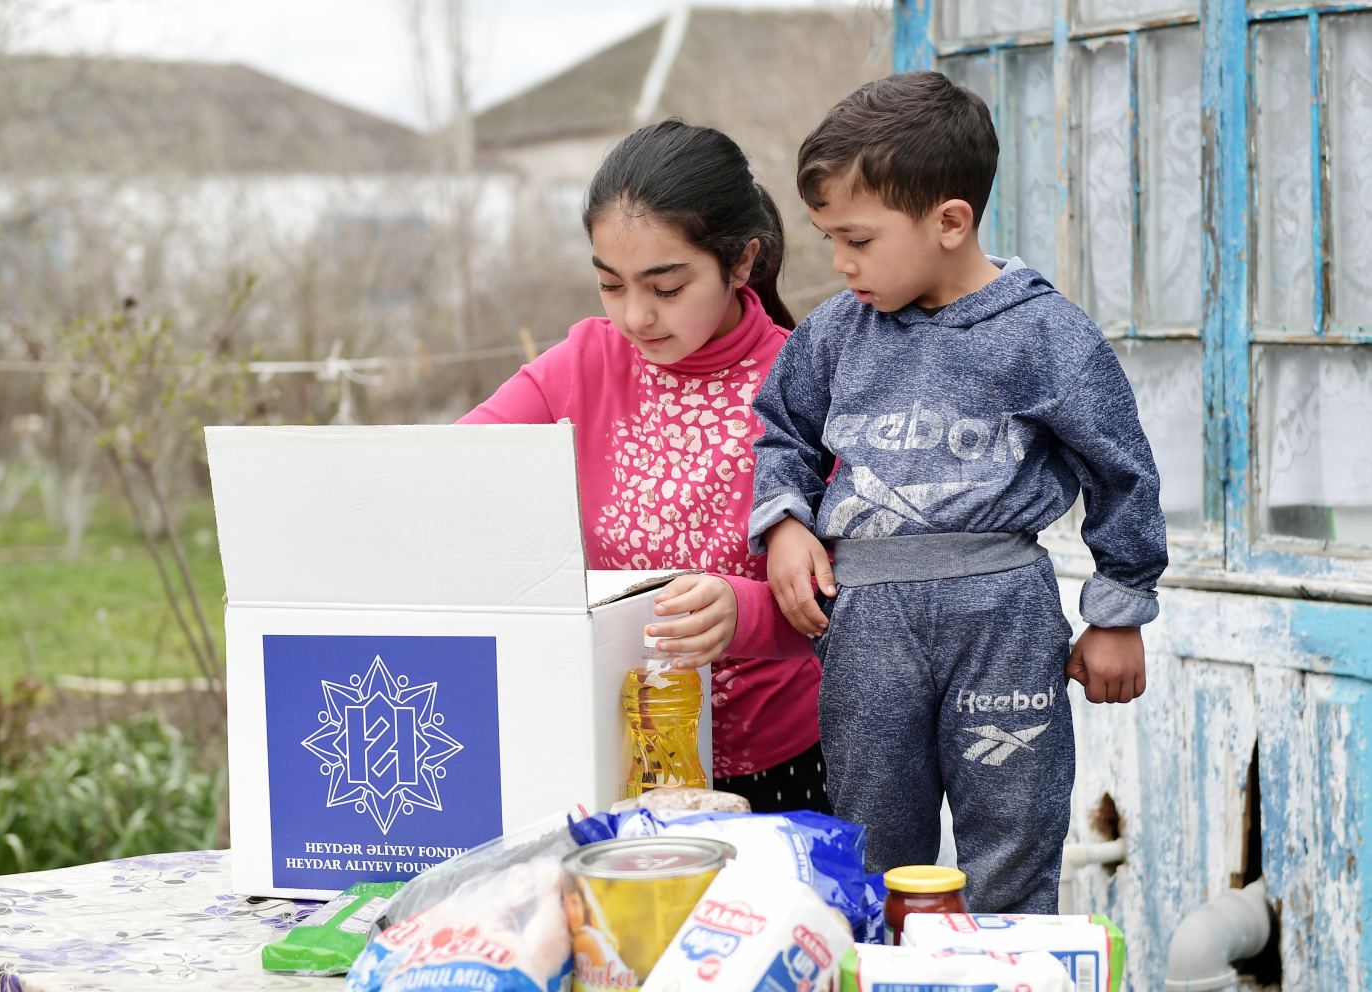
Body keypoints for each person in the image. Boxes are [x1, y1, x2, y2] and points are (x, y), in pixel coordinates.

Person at [748, 72, 1168, 913]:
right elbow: (783, 433)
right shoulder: (835, 332)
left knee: (1011, 837)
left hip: (1002, 619)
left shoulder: (1046, 334)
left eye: (858, 240)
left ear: (949, 222)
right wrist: (787, 523)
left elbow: (1122, 471)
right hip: (865, 625)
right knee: (872, 843)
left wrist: (1117, 613)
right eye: (830, 239)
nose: (840, 263)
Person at [461, 119, 830, 812]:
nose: (635, 316)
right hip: (611, 756)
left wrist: (744, 612)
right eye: (610, 285)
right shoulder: (582, 366)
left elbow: (858, 589)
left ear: (741, 263)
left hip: (778, 766)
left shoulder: (807, 381)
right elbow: (456, 471)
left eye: (666, 288)